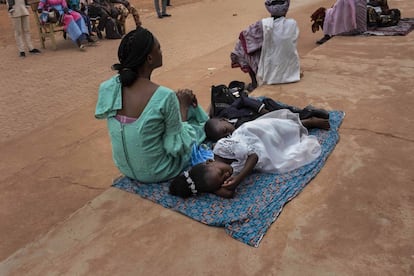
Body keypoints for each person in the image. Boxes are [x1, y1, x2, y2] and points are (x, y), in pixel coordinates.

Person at [95, 27, 209, 183]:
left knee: (175, 109)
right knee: (196, 124)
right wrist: (182, 106)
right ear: (149, 58)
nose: (161, 52)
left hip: (125, 168)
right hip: (159, 170)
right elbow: (176, 147)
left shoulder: (108, 87)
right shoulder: (164, 96)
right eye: (159, 48)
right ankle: (209, 121)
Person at [170, 109, 324, 198]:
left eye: (221, 173)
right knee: (285, 150)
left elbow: (254, 156)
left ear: (210, 162)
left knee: (284, 129)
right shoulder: (220, 176)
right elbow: (229, 194)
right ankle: (302, 126)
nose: (226, 176)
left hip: (259, 135)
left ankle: (309, 121)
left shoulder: (222, 147)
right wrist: (215, 188)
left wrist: (238, 179)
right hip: (265, 151)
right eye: (222, 180)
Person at [231, 0, 300, 92]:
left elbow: (243, 37)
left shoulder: (263, 24)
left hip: (269, 76)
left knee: (240, 47)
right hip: (291, 73)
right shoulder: (293, 24)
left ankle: (254, 83)